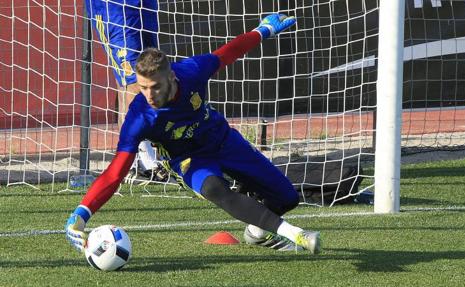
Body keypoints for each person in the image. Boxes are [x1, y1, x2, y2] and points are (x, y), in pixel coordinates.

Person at [65, 13, 321, 254]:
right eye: (142, 88)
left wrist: (262, 30)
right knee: (214, 188)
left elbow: (228, 52)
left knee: (286, 198)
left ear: (172, 78)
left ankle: (256, 231)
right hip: (188, 160)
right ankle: (295, 233)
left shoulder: (193, 71)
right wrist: (81, 213)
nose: (149, 95)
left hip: (222, 140)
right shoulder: (139, 117)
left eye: (155, 87)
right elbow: (115, 172)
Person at [84, 0, 165, 180]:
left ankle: (135, 157)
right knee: (134, 81)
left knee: (152, 72)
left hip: (146, 5)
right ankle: (143, 157)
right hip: (114, 8)